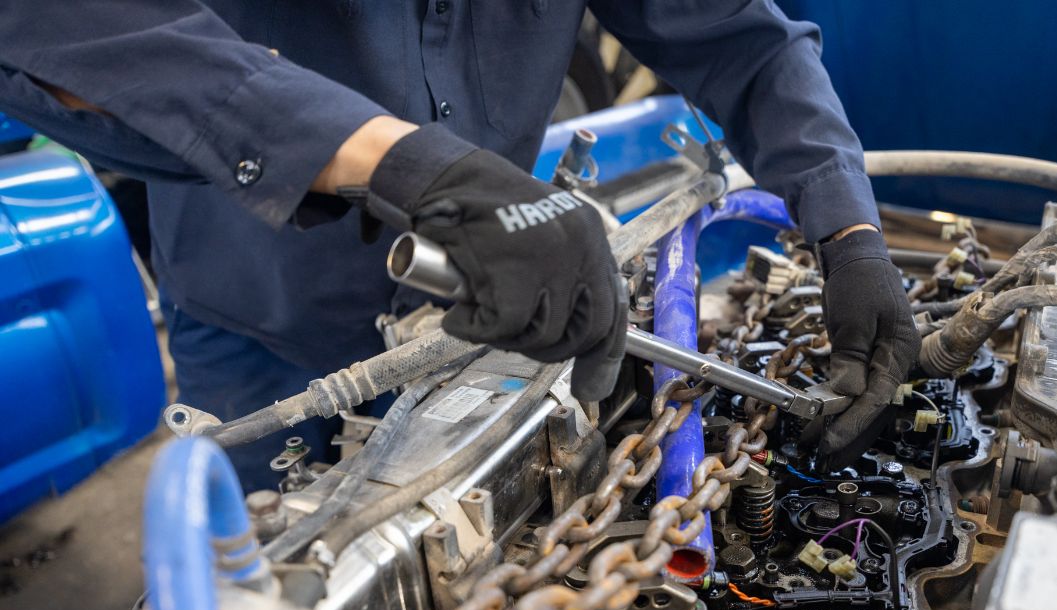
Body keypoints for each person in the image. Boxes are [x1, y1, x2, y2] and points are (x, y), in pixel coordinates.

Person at [0, 1, 919, 491]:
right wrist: (398, 162)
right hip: (260, 327)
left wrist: (850, 230)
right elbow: (64, 25)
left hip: (489, 326)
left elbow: (745, 45)